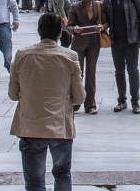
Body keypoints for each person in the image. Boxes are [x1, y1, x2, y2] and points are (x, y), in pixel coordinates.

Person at [8, 12, 85, 191]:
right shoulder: (70, 57)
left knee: (34, 182)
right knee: (63, 174)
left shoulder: (22, 55)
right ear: (60, 33)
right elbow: (80, 97)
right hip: (60, 126)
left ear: (39, 31)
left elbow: (13, 94)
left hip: (30, 126)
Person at [102, 0, 140, 114]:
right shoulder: (108, 0)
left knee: (132, 71)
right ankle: (121, 100)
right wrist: (103, 26)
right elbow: (106, 20)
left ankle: (135, 101)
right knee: (119, 71)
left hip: (132, 41)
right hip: (116, 41)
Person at [67, 0, 103, 114]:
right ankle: (76, 103)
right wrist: (74, 29)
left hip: (94, 43)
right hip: (78, 44)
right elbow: (68, 26)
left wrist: (102, 27)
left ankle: (90, 104)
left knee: (91, 73)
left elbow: (105, 22)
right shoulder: (75, 7)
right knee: (78, 74)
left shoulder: (99, 5)